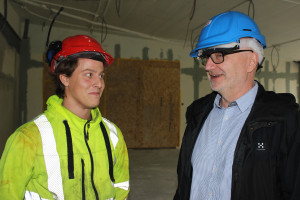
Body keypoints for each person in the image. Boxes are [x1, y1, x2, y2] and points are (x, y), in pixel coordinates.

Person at [174, 11, 300, 200]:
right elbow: (184, 184)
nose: (208, 66)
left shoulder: (285, 120)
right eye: (206, 57)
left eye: (218, 55)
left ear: (251, 61)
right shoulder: (196, 115)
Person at [0, 35, 129, 200]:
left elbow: (121, 189)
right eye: (89, 75)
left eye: (101, 75)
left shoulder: (113, 135)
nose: (99, 83)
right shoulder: (28, 138)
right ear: (65, 78)